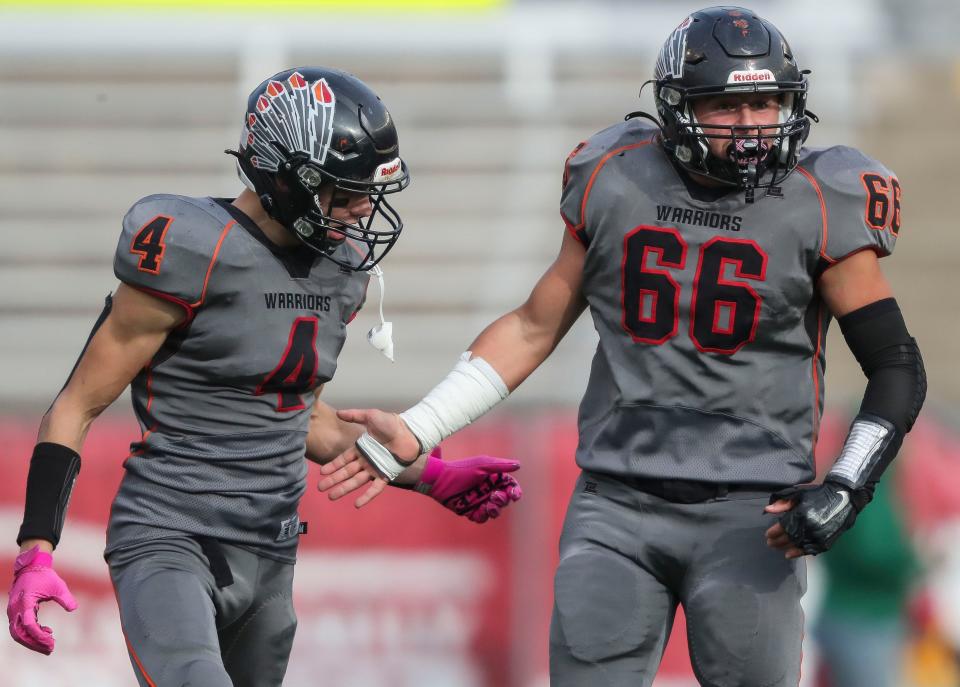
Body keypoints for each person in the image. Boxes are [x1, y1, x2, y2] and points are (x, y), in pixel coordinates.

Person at [315, 8, 927, 686]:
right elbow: (533, 325)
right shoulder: (616, 173)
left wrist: (847, 482)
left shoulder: (820, 198)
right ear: (677, 106)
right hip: (616, 504)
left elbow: (897, 365)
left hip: (751, 510)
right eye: (729, 103)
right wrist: (420, 425)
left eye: (767, 101)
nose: (754, 124)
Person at [6, 67, 521, 687]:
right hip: (171, 535)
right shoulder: (194, 246)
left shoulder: (340, 273)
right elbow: (76, 406)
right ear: (289, 177)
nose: (363, 209)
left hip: (270, 554)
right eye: (345, 190)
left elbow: (299, 414)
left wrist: (428, 474)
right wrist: (36, 548)